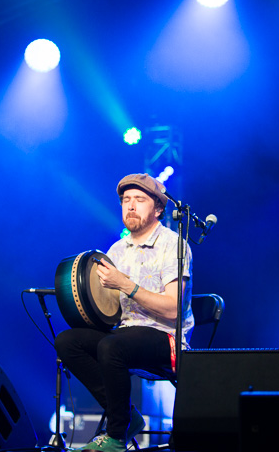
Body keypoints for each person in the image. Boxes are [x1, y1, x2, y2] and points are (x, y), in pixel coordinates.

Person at [55, 173, 194, 452]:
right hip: (126, 336)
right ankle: (127, 416)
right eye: (126, 200)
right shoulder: (117, 250)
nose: (130, 206)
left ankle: (116, 436)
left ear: (157, 209)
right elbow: (109, 310)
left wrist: (127, 285)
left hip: (165, 339)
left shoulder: (173, 245)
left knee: (111, 346)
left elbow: (173, 311)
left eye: (139, 200)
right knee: (68, 342)